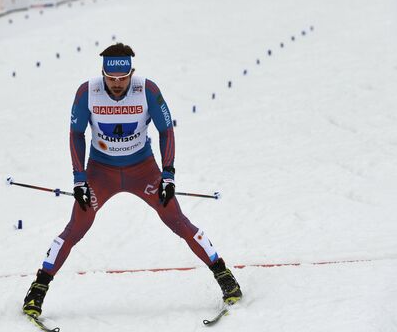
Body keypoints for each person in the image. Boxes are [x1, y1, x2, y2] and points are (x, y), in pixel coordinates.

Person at [22, 43, 242, 318]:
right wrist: (79, 179)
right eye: (110, 79)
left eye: (122, 79)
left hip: (143, 170)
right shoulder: (87, 92)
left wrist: (168, 175)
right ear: (102, 73)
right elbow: (76, 134)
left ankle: (223, 274)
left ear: (131, 73)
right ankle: (38, 288)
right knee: (78, 226)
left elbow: (167, 131)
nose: (116, 84)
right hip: (101, 172)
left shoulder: (147, 90)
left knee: (175, 219)